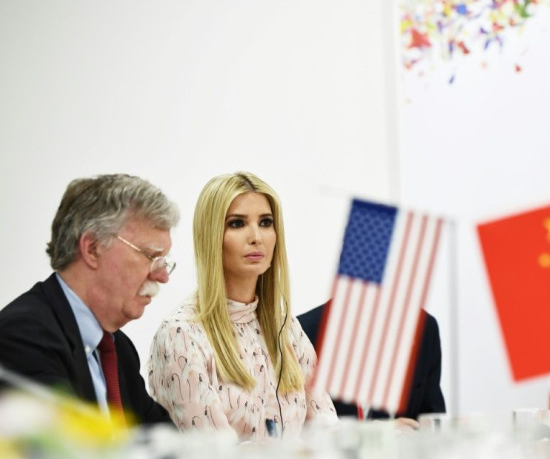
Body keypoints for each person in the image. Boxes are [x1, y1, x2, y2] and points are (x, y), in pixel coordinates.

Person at [148, 172, 336, 442]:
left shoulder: (287, 328)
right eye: (237, 224)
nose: (256, 237)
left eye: (266, 222)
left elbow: (329, 433)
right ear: (211, 236)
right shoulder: (181, 335)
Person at [0, 174, 178, 425]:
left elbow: (165, 445)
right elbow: (61, 456)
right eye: (150, 255)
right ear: (92, 248)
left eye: (164, 262)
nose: (161, 276)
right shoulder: (23, 336)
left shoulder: (119, 349)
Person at [298, 302, 446, 423]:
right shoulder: (304, 334)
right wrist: (382, 434)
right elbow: (300, 435)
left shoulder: (425, 328)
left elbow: (433, 418)